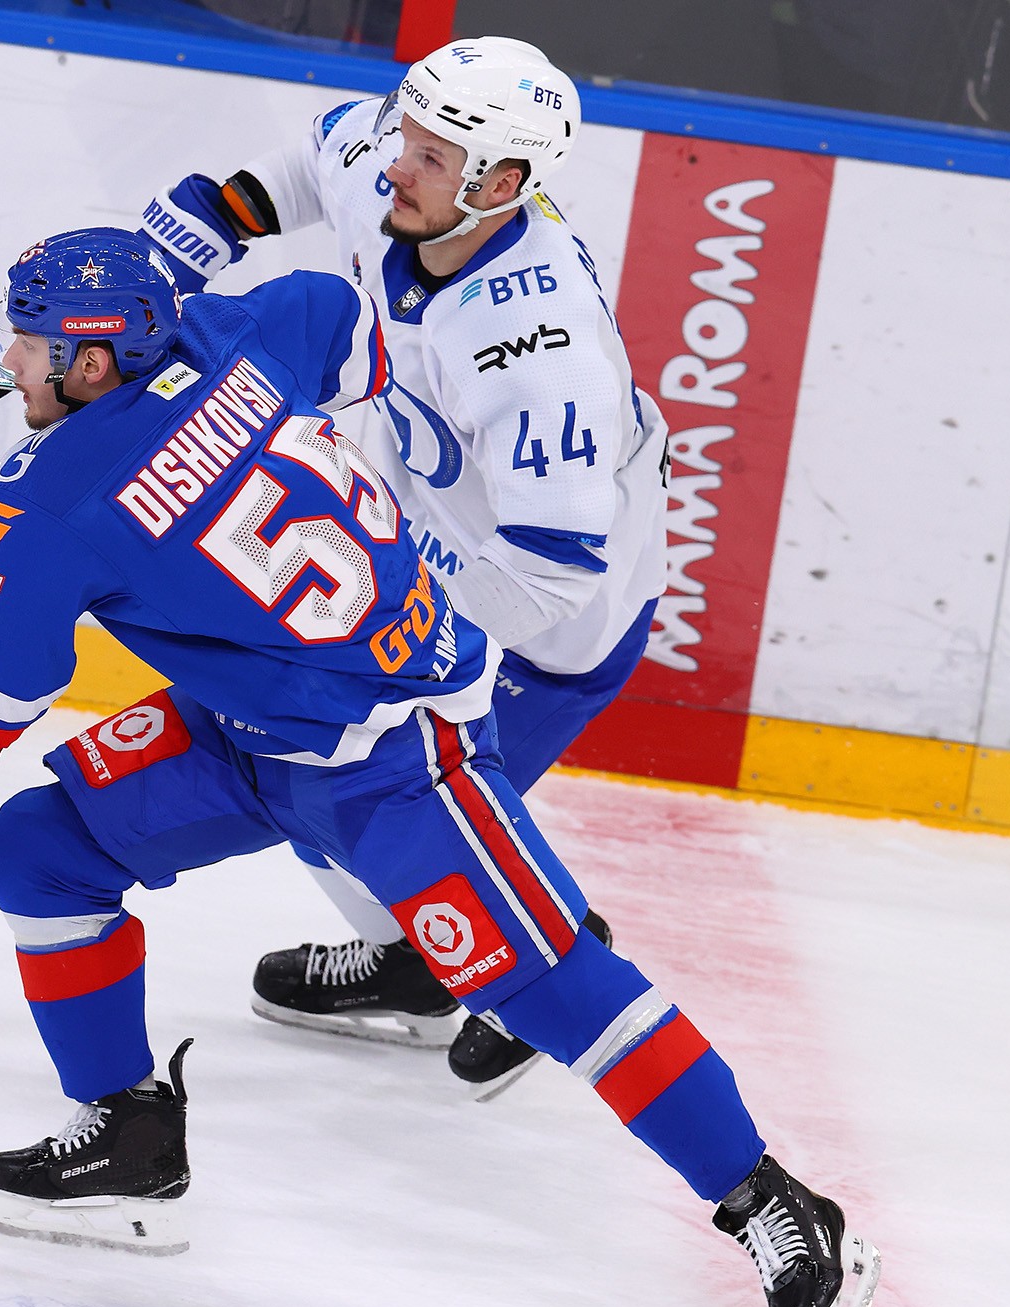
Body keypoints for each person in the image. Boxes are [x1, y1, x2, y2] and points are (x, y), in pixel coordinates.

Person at [0, 227, 879, 1307]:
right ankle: (127, 1134)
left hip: (398, 753)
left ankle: (775, 1204)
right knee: (40, 850)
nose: (7, 360)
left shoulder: (49, 500)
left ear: (95, 359)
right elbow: (345, 328)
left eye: (27, 342)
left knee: (548, 986)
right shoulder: (235, 332)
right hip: (247, 729)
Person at [137, 36, 669, 1096]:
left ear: (501, 185)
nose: (395, 164)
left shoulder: (540, 348)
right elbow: (304, 165)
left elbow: (550, 574)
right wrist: (178, 249)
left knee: (356, 783)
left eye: (428, 156)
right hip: (426, 530)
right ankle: (420, 962)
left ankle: (545, 946)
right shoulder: (415, 171)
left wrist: (380, 643)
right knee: (311, 772)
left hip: (547, 631)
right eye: (406, 136)